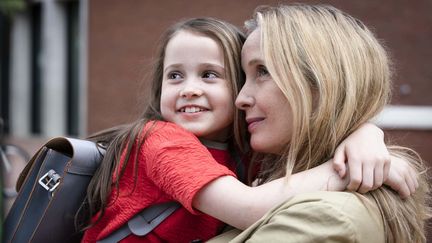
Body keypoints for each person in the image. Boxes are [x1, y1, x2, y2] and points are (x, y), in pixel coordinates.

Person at [81, 17, 418, 243]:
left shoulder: (241, 153)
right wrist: (345, 169)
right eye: (175, 76)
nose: (189, 89)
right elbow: (250, 207)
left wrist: (366, 135)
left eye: (210, 75)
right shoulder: (161, 140)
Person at [208, 4, 430, 243]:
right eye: (244, 77)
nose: (241, 99)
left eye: (263, 71)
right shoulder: (261, 181)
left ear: (323, 84)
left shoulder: (324, 218)